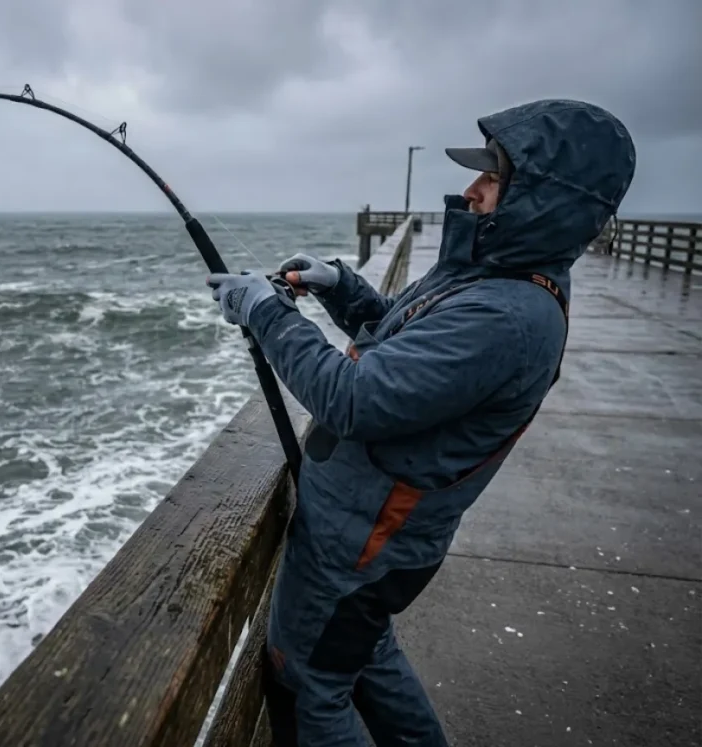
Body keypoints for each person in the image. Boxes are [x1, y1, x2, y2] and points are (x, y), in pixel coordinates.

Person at [205, 98, 636, 746]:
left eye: (493, 176)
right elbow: (402, 345)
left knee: (309, 683)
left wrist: (266, 312)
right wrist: (339, 286)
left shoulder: (508, 314)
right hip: (373, 537)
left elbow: (351, 397)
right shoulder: (491, 277)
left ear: (547, 198)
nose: (472, 188)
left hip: (363, 544)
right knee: (365, 657)